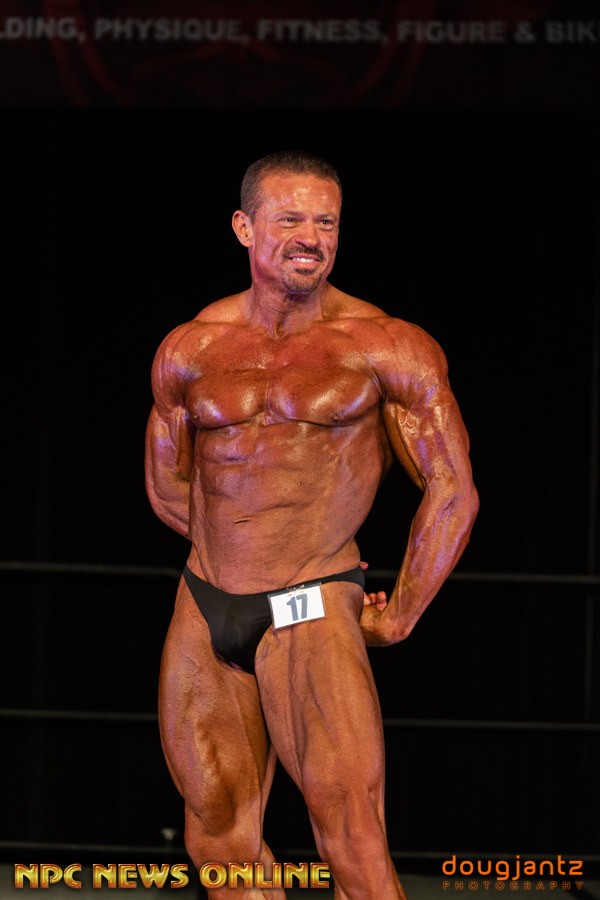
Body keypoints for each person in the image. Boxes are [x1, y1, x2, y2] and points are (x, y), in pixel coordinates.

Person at [144, 149, 479, 899]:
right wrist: (240, 548)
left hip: (311, 598)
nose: (311, 237)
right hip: (205, 601)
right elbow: (168, 486)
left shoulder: (384, 344)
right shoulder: (191, 347)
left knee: (351, 839)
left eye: (326, 222)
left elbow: (453, 490)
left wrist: (402, 612)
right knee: (218, 838)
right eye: (291, 219)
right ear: (244, 227)